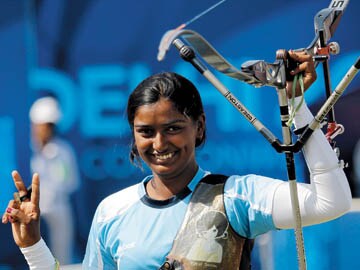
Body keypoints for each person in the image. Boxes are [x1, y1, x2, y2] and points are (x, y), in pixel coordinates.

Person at [2, 51, 352, 269]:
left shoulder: (236, 197)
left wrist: (296, 107)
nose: (159, 143)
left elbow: (329, 202)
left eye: (173, 128)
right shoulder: (112, 211)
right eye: (146, 131)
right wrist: (33, 247)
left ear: (199, 127)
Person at [26, 96, 80, 264]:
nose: (45, 130)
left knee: (61, 258)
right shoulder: (31, 150)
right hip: (35, 214)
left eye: (50, 126)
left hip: (58, 212)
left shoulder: (62, 151)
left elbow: (70, 182)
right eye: (42, 125)